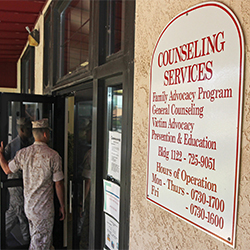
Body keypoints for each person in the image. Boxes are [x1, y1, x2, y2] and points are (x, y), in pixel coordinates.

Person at [0, 118, 65, 250]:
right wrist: (63, 205)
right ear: (46, 134)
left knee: (40, 241)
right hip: (44, 211)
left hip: (29, 208)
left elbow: (7, 169)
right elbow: (58, 184)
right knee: (40, 245)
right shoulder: (53, 156)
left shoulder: (23, 153)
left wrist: (0, 154)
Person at [4, 117, 33, 244]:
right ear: (21, 130)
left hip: (24, 184)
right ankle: (27, 241)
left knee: (15, 212)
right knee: (20, 213)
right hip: (16, 184)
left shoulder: (28, 144)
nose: (31, 132)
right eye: (28, 129)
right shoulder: (13, 146)